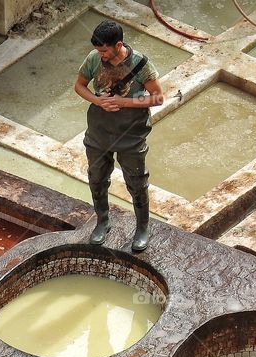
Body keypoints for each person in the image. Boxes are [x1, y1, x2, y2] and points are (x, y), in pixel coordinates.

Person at [75, 20, 163, 252]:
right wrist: (98, 100)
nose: (100, 54)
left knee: (136, 181)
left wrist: (123, 102)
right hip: (99, 129)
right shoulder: (94, 59)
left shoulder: (141, 64)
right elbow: (80, 85)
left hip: (131, 132)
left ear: (118, 45)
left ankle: (142, 227)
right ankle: (102, 221)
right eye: (97, 49)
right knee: (97, 176)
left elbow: (157, 97)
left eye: (104, 50)